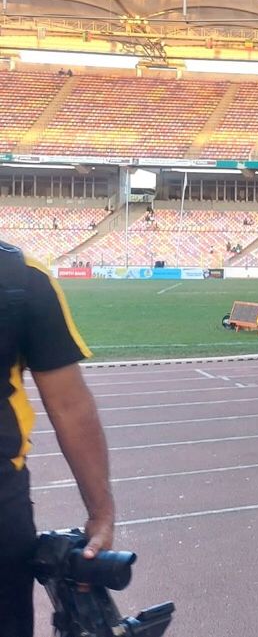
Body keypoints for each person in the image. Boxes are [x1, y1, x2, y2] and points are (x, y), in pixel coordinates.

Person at [0, 241, 115, 637]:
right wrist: (100, 516)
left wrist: (101, 515)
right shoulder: (20, 276)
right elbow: (70, 407)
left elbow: (71, 408)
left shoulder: (22, 278)